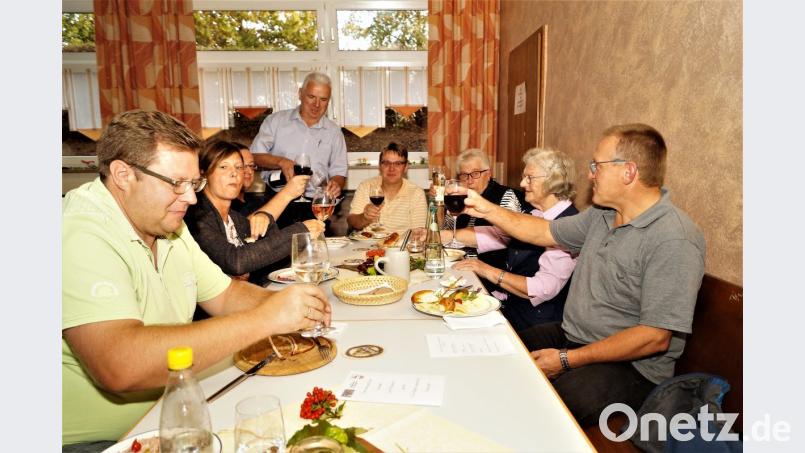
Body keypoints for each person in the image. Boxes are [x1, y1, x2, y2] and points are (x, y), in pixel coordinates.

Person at [62, 110, 331, 449]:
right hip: (104, 441)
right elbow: (120, 365)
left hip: (178, 410)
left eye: (194, 184)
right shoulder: (78, 232)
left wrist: (293, 305)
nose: (190, 198)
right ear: (122, 174)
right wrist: (268, 317)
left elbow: (225, 294)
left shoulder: (166, 224)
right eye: (176, 183)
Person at [462, 124, 706, 427]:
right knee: (497, 353)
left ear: (628, 172)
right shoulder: (601, 215)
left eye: (597, 166)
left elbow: (654, 338)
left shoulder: (673, 239)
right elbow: (543, 231)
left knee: (541, 411)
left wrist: (566, 360)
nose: (590, 174)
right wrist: (486, 208)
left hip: (631, 367)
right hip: (574, 336)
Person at [449, 148, 579, 333]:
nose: (522, 183)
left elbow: (542, 288)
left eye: (529, 178)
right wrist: (445, 236)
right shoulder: (534, 213)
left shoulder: (569, 225)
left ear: (553, 180)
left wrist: (486, 270)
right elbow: (498, 236)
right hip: (511, 307)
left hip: (539, 324)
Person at [185, 140, 324, 287]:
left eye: (238, 167)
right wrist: (300, 232)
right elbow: (237, 262)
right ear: (204, 174)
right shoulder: (197, 218)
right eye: (223, 167)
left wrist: (266, 218)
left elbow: (270, 255)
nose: (234, 173)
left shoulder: (234, 218)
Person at [250, 71, 348, 226]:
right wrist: (280, 161)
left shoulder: (334, 132)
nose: (316, 104)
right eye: (311, 97)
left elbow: (339, 172)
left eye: (323, 99)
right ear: (300, 94)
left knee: (316, 249)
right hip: (278, 201)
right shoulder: (276, 121)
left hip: (316, 205)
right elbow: (253, 156)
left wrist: (336, 184)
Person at [347, 142, 428, 232]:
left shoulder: (416, 193)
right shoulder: (366, 186)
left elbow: (419, 233)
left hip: (401, 245)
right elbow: (351, 222)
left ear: (405, 168)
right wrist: (364, 218)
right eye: (386, 163)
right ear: (379, 166)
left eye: (398, 164)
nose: (391, 168)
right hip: (367, 245)